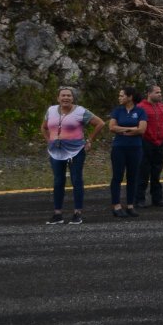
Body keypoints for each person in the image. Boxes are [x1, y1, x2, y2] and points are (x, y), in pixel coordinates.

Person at [41, 86, 105, 225]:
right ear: (58, 98)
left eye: (69, 96)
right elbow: (44, 127)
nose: (66, 98)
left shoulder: (81, 111)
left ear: (73, 98)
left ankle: (77, 213)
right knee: (58, 181)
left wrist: (90, 140)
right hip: (56, 151)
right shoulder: (51, 110)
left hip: (76, 151)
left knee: (76, 180)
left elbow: (100, 123)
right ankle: (57, 214)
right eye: (63, 95)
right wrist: (49, 140)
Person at [108, 87, 148, 218]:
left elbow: (142, 129)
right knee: (117, 177)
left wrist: (125, 130)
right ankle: (116, 205)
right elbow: (112, 127)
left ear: (130, 97)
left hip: (136, 148)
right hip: (119, 148)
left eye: (122, 96)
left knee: (133, 176)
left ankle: (130, 205)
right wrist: (131, 129)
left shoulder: (140, 111)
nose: (119, 98)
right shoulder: (117, 111)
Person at [137, 83, 163, 208]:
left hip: (160, 143)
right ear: (149, 93)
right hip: (145, 142)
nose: (160, 94)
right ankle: (139, 199)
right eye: (157, 92)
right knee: (143, 172)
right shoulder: (140, 107)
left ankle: (157, 198)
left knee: (156, 172)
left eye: (160, 92)